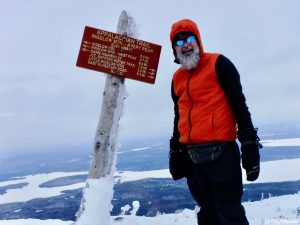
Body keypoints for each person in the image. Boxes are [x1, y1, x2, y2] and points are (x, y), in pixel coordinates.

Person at [168, 19, 263, 225]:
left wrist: (249, 146)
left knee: (229, 213)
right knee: (207, 213)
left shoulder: (219, 64)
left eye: (190, 38)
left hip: (222, 156)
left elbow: (239, 105)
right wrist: (176, 151)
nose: (185, 44)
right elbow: (179, 116)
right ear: (174, 48)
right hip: (193, 157)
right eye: (179, 41)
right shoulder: (177, 78)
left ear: (198, 41)